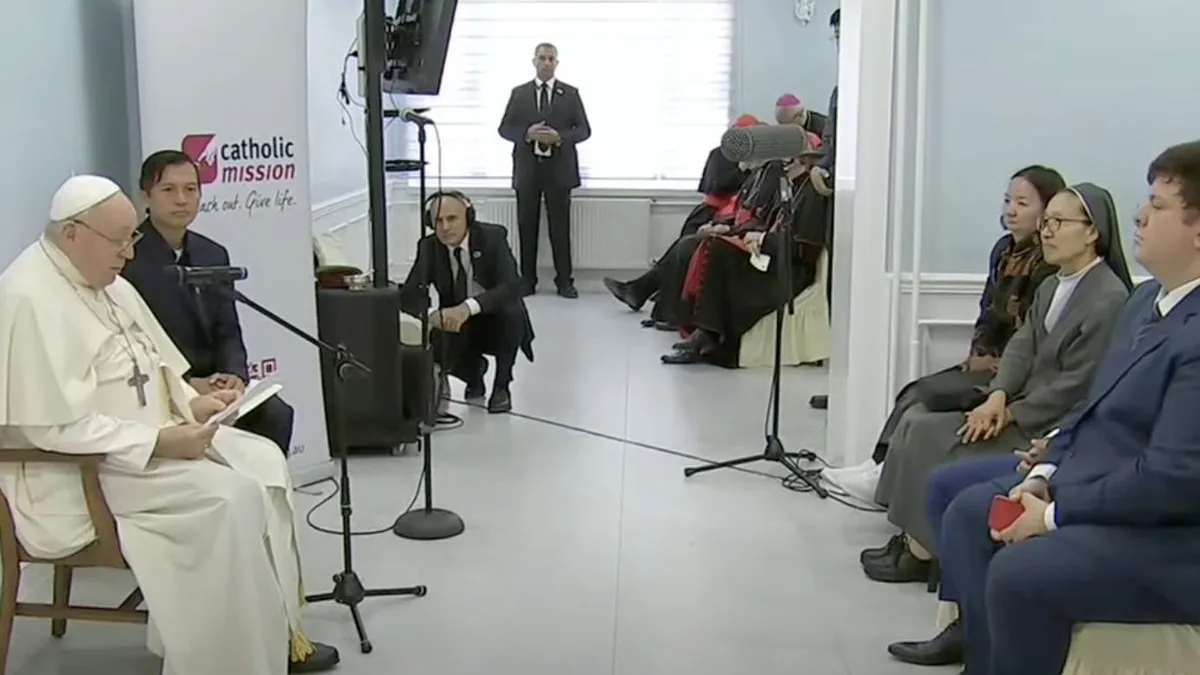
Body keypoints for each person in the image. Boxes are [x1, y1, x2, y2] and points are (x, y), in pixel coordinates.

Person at [0, 175, 339, 674]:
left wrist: (192, 403)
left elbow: (148, 365)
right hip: (78, 473)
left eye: (131, 239)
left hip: (137, 448)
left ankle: (277, 636)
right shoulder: (27, 296)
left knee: (263, 460)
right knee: (229, 498)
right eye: (118, 241)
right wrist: (158, 441)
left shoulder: (107, 282)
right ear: (72, 233)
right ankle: (223, 662)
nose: (128, 254)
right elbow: (49, 429)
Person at [934, 140, 1200, 675]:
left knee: (1021, 574)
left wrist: (1055, 513)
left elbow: (1171, 478)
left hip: (1171, 538)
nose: (1139, 215)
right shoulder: (1145, 300)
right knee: (968, 513)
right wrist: (1046, 474)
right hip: (1097, 479)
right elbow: (1092, 404)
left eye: (1158, 205)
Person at [862, 182, 1134, 585]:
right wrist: (997, 396)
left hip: (1049, 424)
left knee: (930, 436)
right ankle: (912, 538)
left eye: (1059, 222)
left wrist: (1010, 414)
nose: (1047, 231)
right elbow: (1021, 347)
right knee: (915, 420)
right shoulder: (1052, 284)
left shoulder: (1107, 297)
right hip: (1017, 404)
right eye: (1046, 222)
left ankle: (922, 551)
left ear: (1093, 231)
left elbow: (1076, 386)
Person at [824, 166, 1065, 499]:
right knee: (913, 392)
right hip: (988, 361)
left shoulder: (1048, 265)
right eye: (1008, 200)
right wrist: (979, 351)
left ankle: (881, 474)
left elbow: (1032, 334)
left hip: (1014, 375)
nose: (1011, 210)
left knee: (924, 394)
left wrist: (999, 366)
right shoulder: (1003, 250)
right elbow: (987, 310)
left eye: (1022, 203)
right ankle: (878, 465)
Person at [122, 150, 296, 456]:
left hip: (216, 386)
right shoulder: (127, 258)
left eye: (191, 189)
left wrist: (234, 374)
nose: (181, 199)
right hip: (165, 389)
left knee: (276, 414)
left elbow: (229, 329)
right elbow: (132, 344)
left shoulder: (213, 254)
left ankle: (263, 487)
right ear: (145, 197)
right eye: (168, 189)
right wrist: (189, 383)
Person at [662, 133, 829, 366]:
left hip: (791, 272)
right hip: (773, 258)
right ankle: (705, 333)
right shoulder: (789, 187)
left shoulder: (811, 194)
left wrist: (762, 239)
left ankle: (709, 336)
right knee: (716, 247)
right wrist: (749, 236)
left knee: (721, 254)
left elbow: (802, 249)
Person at [601, 114, 762, 316]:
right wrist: (743, 171)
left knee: (679, 255)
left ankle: (644, 293)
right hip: (711, 213)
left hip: (728, 216)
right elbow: (716, 185)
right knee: (680, 254)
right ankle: (648, 294)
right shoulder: (720, 154)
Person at [399, 191, 534, 414]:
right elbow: (410, 295)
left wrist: (468, 308)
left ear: (468, 217)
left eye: (452, 219)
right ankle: (474, 374)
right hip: (455, 321)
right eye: (438, 221)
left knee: (513, 312)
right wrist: (432, 315)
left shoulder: (493, 237)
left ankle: (502, 386)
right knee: (435, 339)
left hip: (492, 313)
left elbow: (512, 286)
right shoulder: (428, 247)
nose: (445, 227)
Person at [498, 42, 592, 299]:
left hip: (559, 172)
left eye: (551, 59)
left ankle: (565, 281)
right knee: (526, 227)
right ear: (534, 62)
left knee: (560, 229)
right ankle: (527, 280)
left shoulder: (570, 94)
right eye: (542, 58)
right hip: (528, 171)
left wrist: (560, 137)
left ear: (557, 63)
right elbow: (504, 129)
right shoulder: (519, 94)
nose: (547, 63)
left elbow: (584, 130)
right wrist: (526, 134)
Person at [809, 7, 841, 411]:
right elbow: (833, 144)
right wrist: (823, 169)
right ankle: (842, 380)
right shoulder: (840, 90)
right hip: (839, 200)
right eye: (837, 37)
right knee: (839, 289)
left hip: (871, 206)